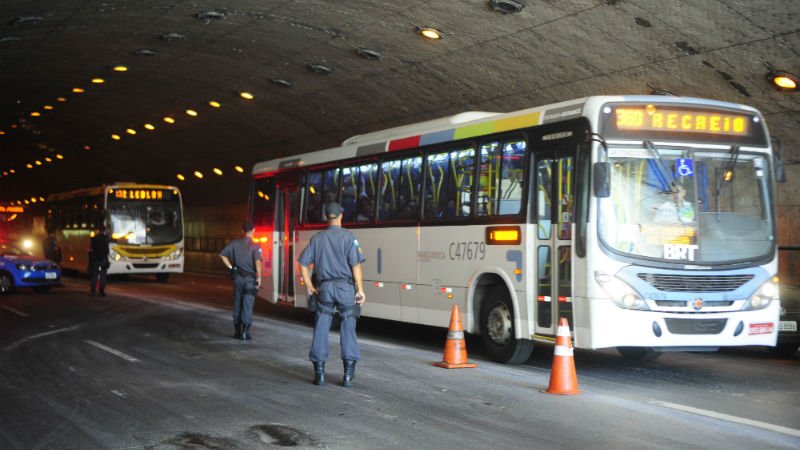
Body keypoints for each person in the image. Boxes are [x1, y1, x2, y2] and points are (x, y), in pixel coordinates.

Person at [298, 202, 366, 387]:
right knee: (348, 327)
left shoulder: (317, 238)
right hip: (345, 288)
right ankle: (347, 375)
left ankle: (319, 374)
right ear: (341, 216)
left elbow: (303, 264)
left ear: (326, 217)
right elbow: (356, 265)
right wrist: (360, 289)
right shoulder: (348, 237)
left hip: (325, 289)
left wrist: (310, 285)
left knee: (321, 327)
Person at [219, 221, 263, 341]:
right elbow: (258, 262)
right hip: (250, 280)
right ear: (253, 230)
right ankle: (245, 332)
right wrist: (259, 277)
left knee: (237, 304)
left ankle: (237, 331)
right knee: (247, 304)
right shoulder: (255, 246)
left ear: (242, 231)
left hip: (237, 279)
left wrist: (231, 267)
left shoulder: (234, 243)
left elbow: (222, 255)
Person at [88, 225, 111, 297]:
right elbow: (107, 251)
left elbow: (90, 250)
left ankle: (93, 291)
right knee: (103, 276)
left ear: (98, 230)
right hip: (103, 259)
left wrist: (90, 262)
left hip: (95, 259)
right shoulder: (105, 239)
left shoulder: (93, 239)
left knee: (94, 275)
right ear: (103, 231)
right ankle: (101, 291)